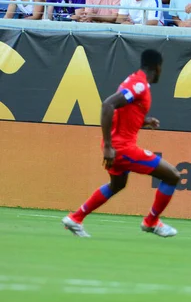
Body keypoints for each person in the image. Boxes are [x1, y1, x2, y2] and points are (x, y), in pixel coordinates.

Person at [62, 49, 181, 238]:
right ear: (157, 68)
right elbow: (108, 105)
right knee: (173, 176)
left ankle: (75, 218)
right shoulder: (139, 85)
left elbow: (122, 114)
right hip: (122, 148)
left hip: (117, 146)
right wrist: (109, 146)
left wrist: (145, 121)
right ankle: (151, 222)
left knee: (117, 185)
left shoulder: (134, 82)